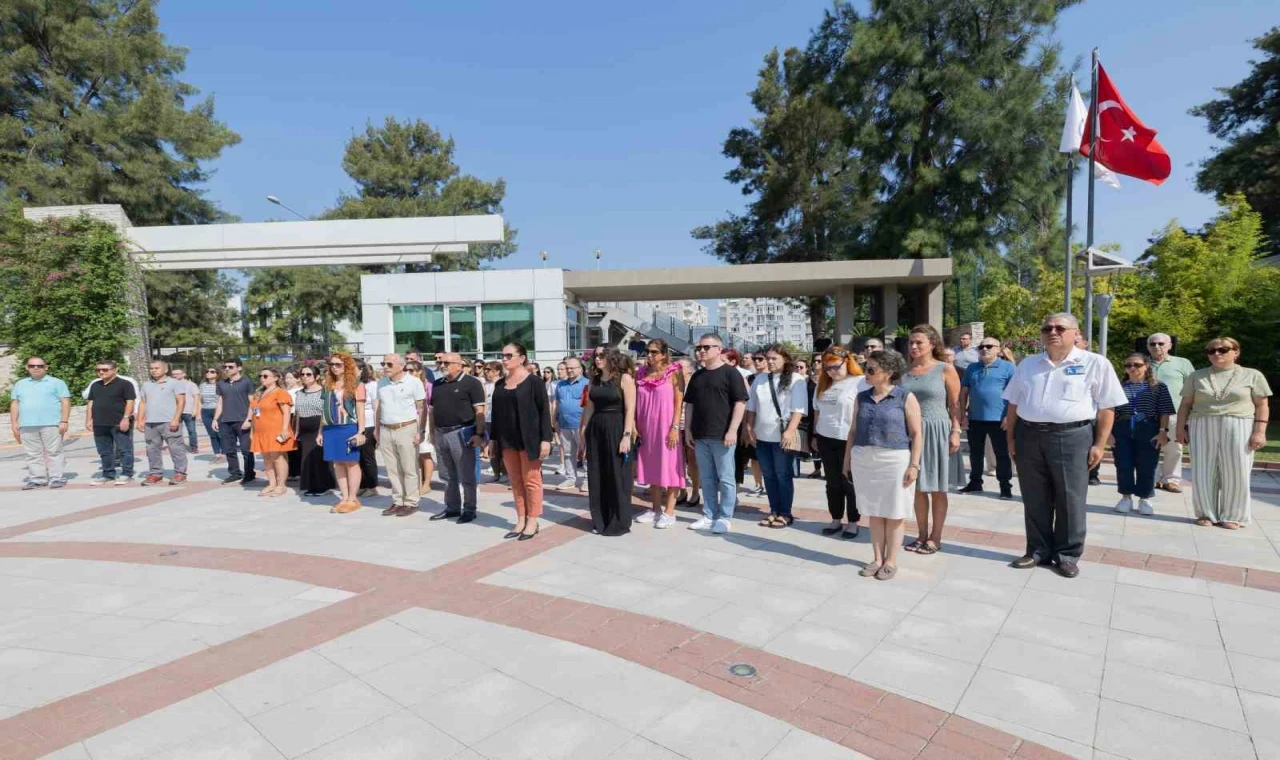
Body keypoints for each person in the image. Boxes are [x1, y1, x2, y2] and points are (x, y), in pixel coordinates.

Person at [1004, 313, 1127, 578]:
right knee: (1034, 497)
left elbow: (1107, 407)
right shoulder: (1028, 364)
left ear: (1075, 333)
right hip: (1029, 436)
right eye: (1047, 327)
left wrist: (1099, 444)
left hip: (1072, 437)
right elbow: (1013, 404)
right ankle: (1037, 551)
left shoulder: (1095, 363)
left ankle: (1067, 555)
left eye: (1060, 327)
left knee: (1070, 498)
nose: (1053, 332)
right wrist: (1011, 439)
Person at [1176, 337, 1271, 530]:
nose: (1216, 354)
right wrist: (1179, 429)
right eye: (1211, 351)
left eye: (1223, 350)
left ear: (1236, 352)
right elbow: (1185, 404)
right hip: (1202, 423)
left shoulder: (1252, 375)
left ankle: (1233, 515)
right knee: (1203, 470)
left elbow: (1262, 405)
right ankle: (1205, 513)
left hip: (1239, 423)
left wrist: (1260, 432)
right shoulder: (1197, 376)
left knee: (1237, 470)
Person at [844, 349, 923, 581]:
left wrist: (914, 465)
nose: (865, 373)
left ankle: (891, 561)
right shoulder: (862, 397)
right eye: (865, 368)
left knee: (895, 511)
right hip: (864, 459)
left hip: (895, 460)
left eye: (870, 369)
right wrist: (847, 460)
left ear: (888, 373)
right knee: (874, 511)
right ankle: (877, 558)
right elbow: (853, 431)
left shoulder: (905, 397)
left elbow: (917, 434)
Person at [899, 325, 961, 556]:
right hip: (908, 433)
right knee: (916, 488)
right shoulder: (904, 372)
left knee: (937, 488)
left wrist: (956, 430)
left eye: (919, 343)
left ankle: (936, 537)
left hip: (936, 431)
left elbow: (955, 403)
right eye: (911, 343)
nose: (913, 347)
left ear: (932, 344)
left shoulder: (945, 369)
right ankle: (921, 534)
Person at [683, 334, 748, 533]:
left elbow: (740, 403)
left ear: (719, 349)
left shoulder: (731, 373)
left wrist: (732, 430)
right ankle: (709, 514)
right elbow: (690, 405)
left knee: (726, 478)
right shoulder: (697, 375)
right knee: (707, 478)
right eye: (699, 347)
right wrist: (687, 430)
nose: (701, 351)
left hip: (722, 436)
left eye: (706, 347)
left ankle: (725, 517)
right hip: (700, 436)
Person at [491, 343, 552, 539]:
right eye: (503, 356)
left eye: (509, 355)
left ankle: (533, 521)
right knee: (516, 481)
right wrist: (492, 440)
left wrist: (546, 439)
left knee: (531, 481)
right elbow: (496, 414)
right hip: (506, 439)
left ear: (522, 358)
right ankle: (521, 518)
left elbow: (544, 412)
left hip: (530, 439)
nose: (504, 359)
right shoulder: (500, 384)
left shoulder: (534, 382)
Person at [744, 345, 807, 528]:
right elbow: (752, 407)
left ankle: (785, 513)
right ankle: (773, 510)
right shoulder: (760, 379)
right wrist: (749, 427)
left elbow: (799, 409)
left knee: (782, 474)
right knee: (769, 475)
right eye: (768, 358)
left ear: (785, 359)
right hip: (762, 436)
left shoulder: (796, 380)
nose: (770, 362)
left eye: (774, 359)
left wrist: (789, 431)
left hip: (782, 436)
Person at [579, 348, 637, 535]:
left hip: (616, 427)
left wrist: (627, 435)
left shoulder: (624, 379)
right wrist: (584, 430)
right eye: (595, 356)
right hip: (596, 428)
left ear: (612, 357)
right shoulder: (594, 380)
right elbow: (589, 407)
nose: (597, 359)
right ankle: (600, 519)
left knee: (617, 474)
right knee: (597, 474)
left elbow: (630, 409)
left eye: (601, 356)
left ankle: (618, 521)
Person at [811, 347, 867, 538]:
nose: (831, 371)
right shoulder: (823, 383)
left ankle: (853, 522)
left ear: (847, 362)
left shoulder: (860, 382)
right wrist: (814, 435)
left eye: (835, 366)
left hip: (848, 439)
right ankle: (836, 519)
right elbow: (817, 410)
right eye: (827, 368)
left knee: (849, 482)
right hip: (826, 437)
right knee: (832, 482)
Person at [1112, 353, 1176, 516]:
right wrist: (1109, 434)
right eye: (1128, 365)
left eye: (1137, 365)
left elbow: (1164, 411)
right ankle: (1126, 497)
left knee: (1147, 465)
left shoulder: (1158, 387)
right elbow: (1109, 411)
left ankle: (1144, 498)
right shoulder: (1118, 386)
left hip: (1149, 428)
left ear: (1146, 366)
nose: (1132, 368)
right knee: (1123, 464)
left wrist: (1163, 432)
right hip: (1122, 428)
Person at [632, 340, 686, 528]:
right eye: (647, 351)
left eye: (654, 352)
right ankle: (655, 509)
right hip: (645, 429)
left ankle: (670, 512)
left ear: (664, 354)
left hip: (666, 427)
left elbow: (679, 402)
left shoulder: (674, 372)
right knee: (651, 467)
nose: (649, 355)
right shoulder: (640, 373)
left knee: (670, 467)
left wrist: (674, 428)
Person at [429, 352, 487, 523]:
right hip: (441, 433)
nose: (442, 365)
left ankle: (469, 509)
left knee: (466, 475)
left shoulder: (472, 383)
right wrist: (432, 433)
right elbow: (432, 411)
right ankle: (452, 507)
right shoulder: (437, 384)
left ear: (459, 365)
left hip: (461, 433)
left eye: (447, 363)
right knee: (447, 475)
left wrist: (479, 434)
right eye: (441, 363)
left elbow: (480, 411)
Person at [958, 336, 1016, 499]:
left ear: (998, 349)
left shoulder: (1008, 368)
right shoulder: (972, 368)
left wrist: (1008, 417)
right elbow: (964, 392)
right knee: (975, 453)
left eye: (989, 346)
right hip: (975, 418)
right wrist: (963, 415)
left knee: (1002, 454)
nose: (984, 349)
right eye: (981, 347)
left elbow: (1015, 395)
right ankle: (975, 482)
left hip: (1000, 420)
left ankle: (1005, 486)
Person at [375, 353, 427, 517]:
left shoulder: (414, 382)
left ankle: (411, 501)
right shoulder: (382, 383)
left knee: (409, 467)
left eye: (389, 364)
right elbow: (380, 407)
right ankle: (398, 501)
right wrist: (377, 429)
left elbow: (422, 408)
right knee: (392, 469)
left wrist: (421, 431)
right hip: (386, 429)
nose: (385, 367)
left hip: (406, 428)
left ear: (401, 366)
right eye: (383, 364)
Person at [11, 356, 71, 489]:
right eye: (32, 366)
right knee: (32, 453)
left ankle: (57, 478)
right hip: (27, 424)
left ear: (46, 367)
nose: (36, 368)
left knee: (54, 451)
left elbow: (65, 402)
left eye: (39, 366)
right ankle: (38, 479)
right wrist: (14, 423)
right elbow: (15, 403)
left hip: (51, 423)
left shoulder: (57, 382)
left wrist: (64, 421)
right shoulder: (20, 384)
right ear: (27, 368)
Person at [317, 353, 367, 513]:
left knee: (351, 462)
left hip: (348, 427)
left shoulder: (356, 385)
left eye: (338, 364)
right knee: (337, 463)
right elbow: (323, 411)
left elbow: (360, 410)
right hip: (330, 428)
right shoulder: (327, 384)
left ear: (347, 366)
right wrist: (320, 432)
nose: (334, 367)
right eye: (332, 364)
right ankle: (344, 497)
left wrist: (361, 431)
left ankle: (353, 498)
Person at [1147, 333, 1194, 493]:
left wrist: (1189, 414)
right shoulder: (1142, 363)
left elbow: (1193, 388)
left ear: (1170, 345)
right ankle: (1150, 479)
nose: (1156, 347)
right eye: (1152, 344)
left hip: (1175, 413)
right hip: (1148, 414)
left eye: (1161, 343)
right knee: (1148, 447)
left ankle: (1171, 480)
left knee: (1174, 447)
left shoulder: (1182, 363)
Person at [137, 360, 189, 486]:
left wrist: (176, 419)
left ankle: (180, 473)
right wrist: (140, 420)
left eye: (157, 368)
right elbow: (143, 403)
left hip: (169, 422)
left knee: (176, 448)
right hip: (150, 423)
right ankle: (155, 473)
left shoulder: (174, 383)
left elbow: (181, 402)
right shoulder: (146, 385)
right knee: (152, 449)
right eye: (151, 368)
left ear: (165, 370)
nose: (153, 370)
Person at [85, 359, 136, 485]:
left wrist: (125, 418)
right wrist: (88, 419)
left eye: (105, 369)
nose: (101, 372)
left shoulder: (125, 384)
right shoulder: (95, 385)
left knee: (125, 449)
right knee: (104, 451)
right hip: (100, 423)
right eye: (98, 370)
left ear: (115, 370)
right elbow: (90, 402)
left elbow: (130, 401)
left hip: (119, 422)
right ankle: (108, 475)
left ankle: (127, 474)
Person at [249, 368, 295, 497]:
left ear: (276, 378)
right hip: (261, 430)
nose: (262, 378)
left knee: (277, 457)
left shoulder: (280, 393)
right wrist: (252, 430)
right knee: (266, 457)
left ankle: (281, 485)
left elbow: (286, 412)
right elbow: (254, 413)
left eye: (266, 376)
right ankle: (272, 483)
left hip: (275, 429)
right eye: (261, 376)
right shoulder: (258, 393)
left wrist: (284, 429)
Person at [213, 359, 255, 485]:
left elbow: (252, 403)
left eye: (230, 367)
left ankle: (249, 474)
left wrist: (249, 419)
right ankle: (235, 473)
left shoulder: (246, 382)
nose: (227, 369)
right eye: (225, 367)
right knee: (229, 449)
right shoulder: (221, 384)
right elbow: (220, 402)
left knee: (246, 449)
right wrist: (215, 419)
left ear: (239, 368)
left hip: (242, 421)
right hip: (225, 421)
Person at [293, 365, 334, 497]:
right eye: (302, 374)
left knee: (318, 456)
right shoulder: (299, 393)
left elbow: (325, 412)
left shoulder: (324, 392)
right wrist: (297, 430)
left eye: (308, 374)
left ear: (316, 377)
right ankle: (311, 485)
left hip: (319, 425)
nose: (304, 377)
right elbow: (298, 413)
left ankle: (323, 486)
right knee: (306, 458)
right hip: (304, 427)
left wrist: (321, 431)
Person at [552, 356, 589, 491]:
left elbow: (588, 406)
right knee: (568, 453)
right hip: (564, 424)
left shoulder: (587, 384)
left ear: (580, 369)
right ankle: (570, 479)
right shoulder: (560, 385)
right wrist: (554, 419)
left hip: (581, 425)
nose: (569, 370)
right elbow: (557, 403)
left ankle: (587, 479)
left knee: (585, 453)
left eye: (572, 368)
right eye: (567, 368)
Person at [405, 361, 436, 495]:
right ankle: (416, 483)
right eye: (406, 370)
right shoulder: (405, 385)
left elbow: (432, 408)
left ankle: (427, 483)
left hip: (424, 419)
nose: (408, 373)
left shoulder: (428, 386)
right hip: (408, 420)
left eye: (411, 370)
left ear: (419, 372)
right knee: (414, 453)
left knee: (425, 452)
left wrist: (431, 429)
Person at [676, 357, 701, 507]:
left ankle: (696, 491)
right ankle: (682, 490)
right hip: (675, 427)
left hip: (691, 427)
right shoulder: (674, 384)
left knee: (693, 462)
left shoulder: (697, 384)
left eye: (680, 367)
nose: (677, 370)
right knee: (677, 462)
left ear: (690, 370)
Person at [356, 359, 380, 497]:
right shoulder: (352, 385)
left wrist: (377, 427)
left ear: (361, 370)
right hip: (356, 422)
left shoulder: (371, 385)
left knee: (367, 456)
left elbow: (376, 406)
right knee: (357, 456)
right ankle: (362, 484)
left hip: (369, 423)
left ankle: (372, 486)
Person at [481, 360, 503, 482]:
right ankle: (496, 472)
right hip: (489, 420)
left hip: (501, 421)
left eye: (489, 370)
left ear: (497, 371)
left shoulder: (502, 384)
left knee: (503, 447)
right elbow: (484, 404)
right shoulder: (485, 385)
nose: (486, 372)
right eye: (486, 369)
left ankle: (505, 472)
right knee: (491, 448)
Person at [170, 368, 200, 454]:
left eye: (177, 374)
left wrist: (195, 410)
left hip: (188, 410)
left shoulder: (191, 384)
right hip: (176, 412)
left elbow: (197, 397)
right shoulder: (171, 385)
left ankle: (194, 446)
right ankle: (178, 446)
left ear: (184, 374)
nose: (175, 376)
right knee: (176, 430)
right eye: (173, 374)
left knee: (191, 430)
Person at [198, 368, 223, 461]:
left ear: (217, 374)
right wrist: (198, 413)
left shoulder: (221, 384)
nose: (208, 373)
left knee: (220, 432)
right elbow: (199, 400)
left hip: (218, 410)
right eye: (207, 371)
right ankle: (217, 453)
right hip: (206, 410)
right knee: (212, 434)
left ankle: (225, 452)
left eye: (212, 372)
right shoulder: (202, 385)